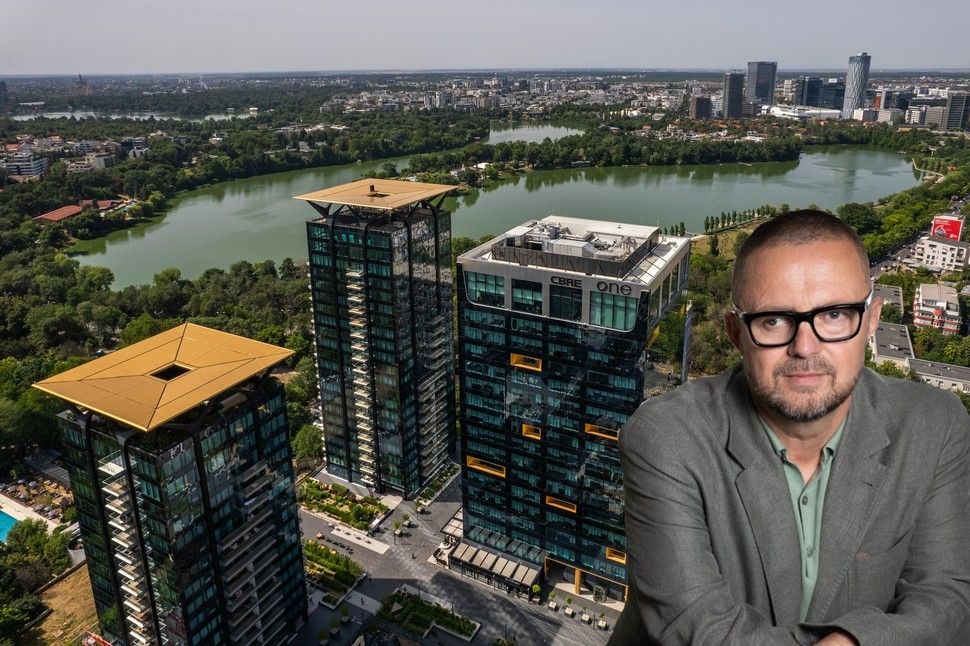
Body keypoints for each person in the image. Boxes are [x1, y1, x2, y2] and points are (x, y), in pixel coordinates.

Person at [609, 210, 969, 645]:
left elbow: (946, 599)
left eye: (834, 315)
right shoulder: (666, 438)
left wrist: (854, 641)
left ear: (872, 320)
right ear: (735, 333)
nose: (804, 347)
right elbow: (697, 626)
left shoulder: (935, 426)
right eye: (774, 320)